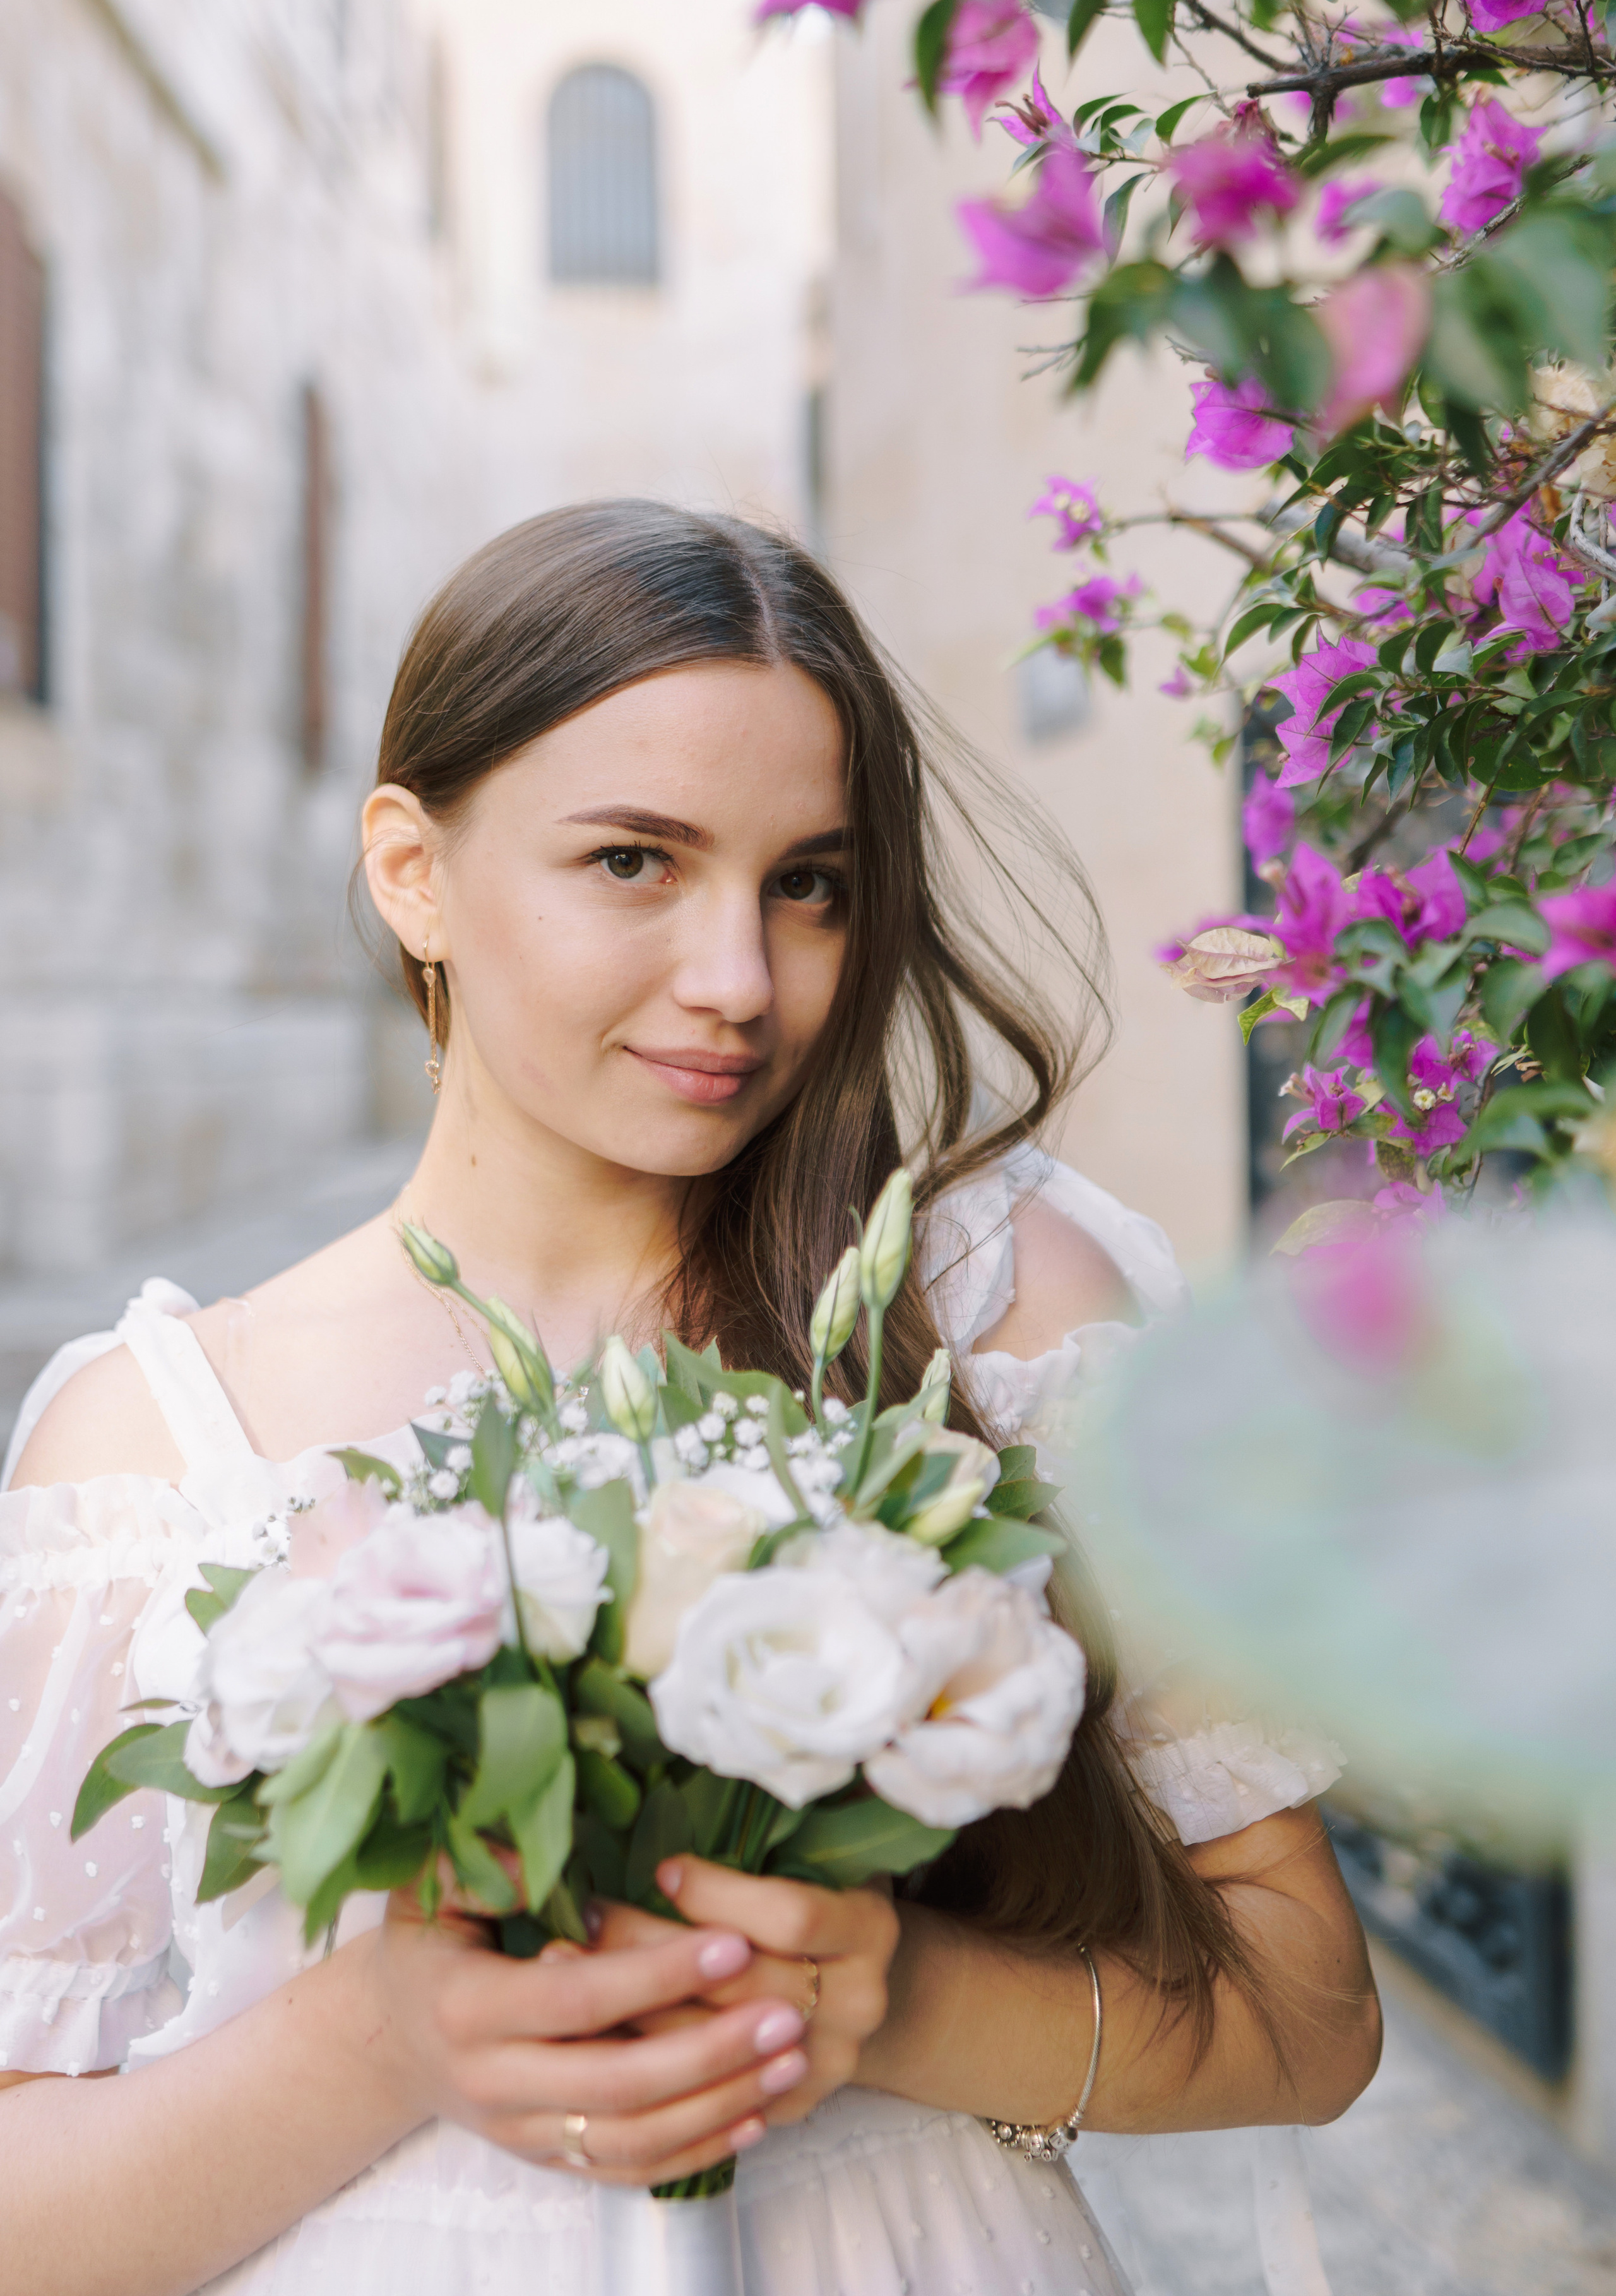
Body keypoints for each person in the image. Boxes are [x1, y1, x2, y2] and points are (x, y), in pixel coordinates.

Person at [0, 503, 1379, 2296]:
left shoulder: (995, 1312)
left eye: (806, 881)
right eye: (635, 863)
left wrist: (895, 2000)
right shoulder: (154, 1442)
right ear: (412, 870)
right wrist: (386, 2043)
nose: (739, 983)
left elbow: (1309, 2013)